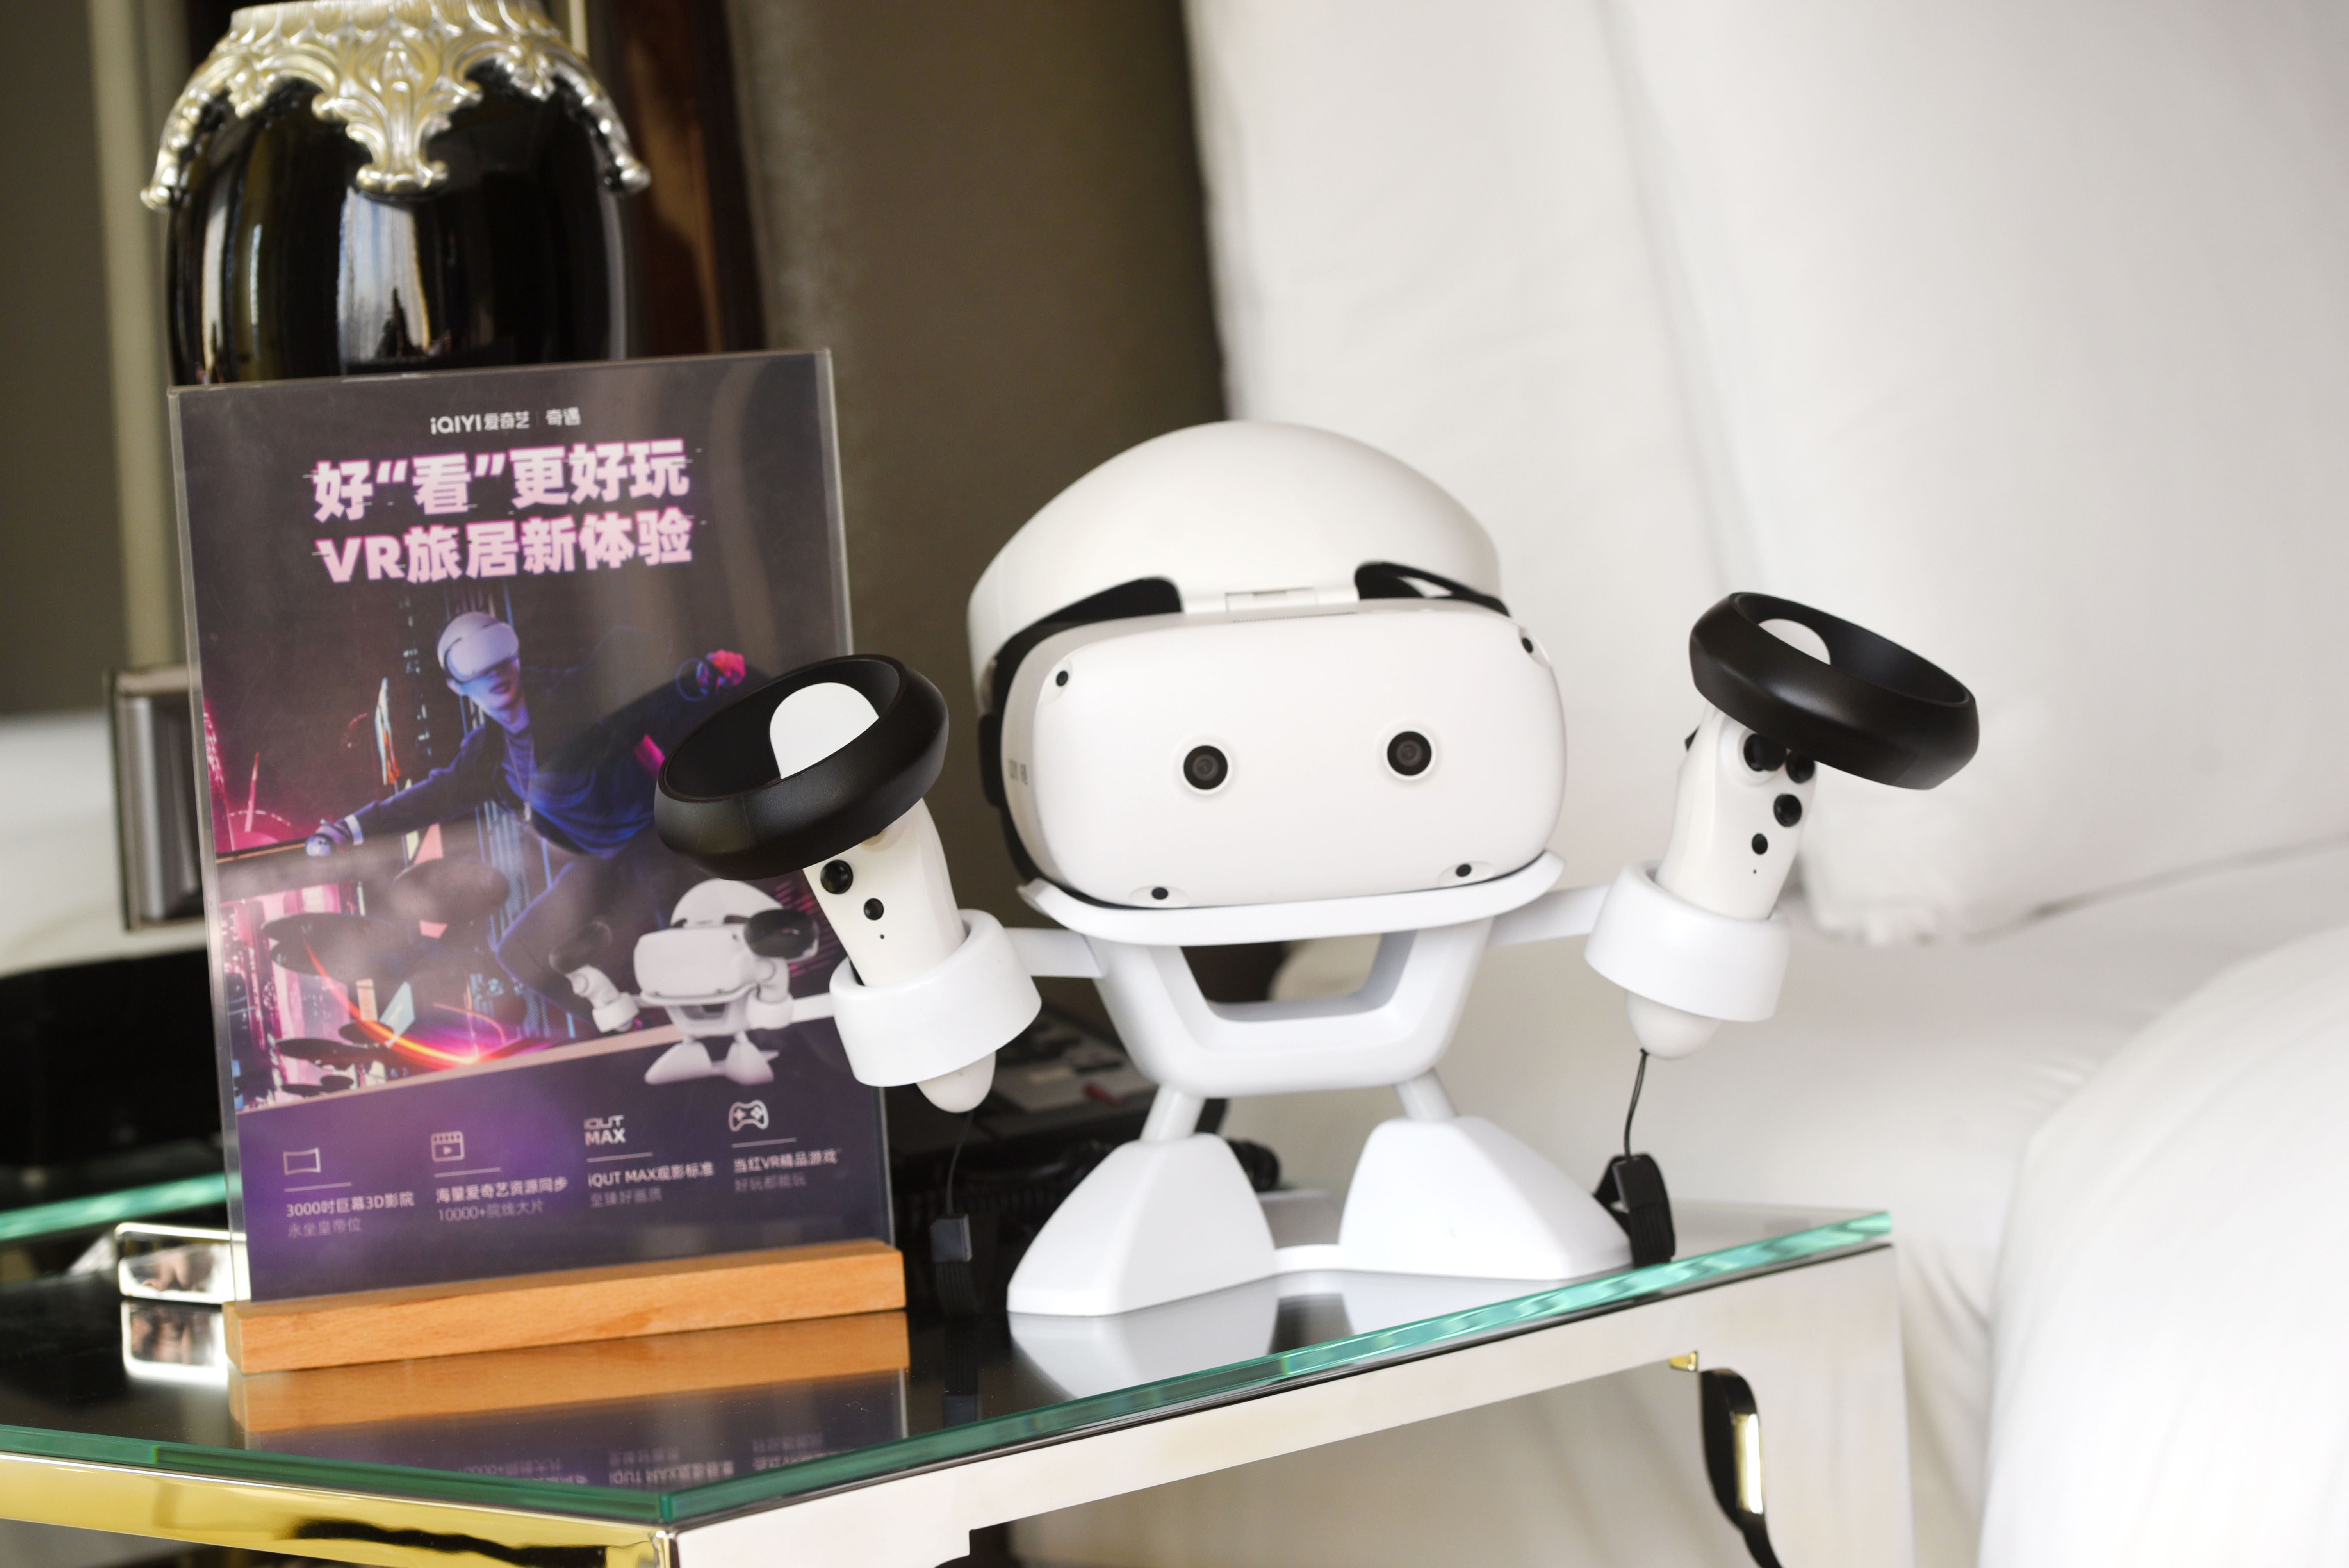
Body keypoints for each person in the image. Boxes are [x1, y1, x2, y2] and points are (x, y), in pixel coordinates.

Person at [307, 611, 752, 1020]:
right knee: (521, 953)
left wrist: (700, 678)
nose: (495, 675)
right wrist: (349, 828)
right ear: (458, 687)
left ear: (515, 657)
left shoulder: (568, 697)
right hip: (596, 862)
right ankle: (623, 1023)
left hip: (651, 837)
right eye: (478, 670)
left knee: (680, 937)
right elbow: (429, 797)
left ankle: (713, 1011)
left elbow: (638, 701)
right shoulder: (486, 754)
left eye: (500, 660)